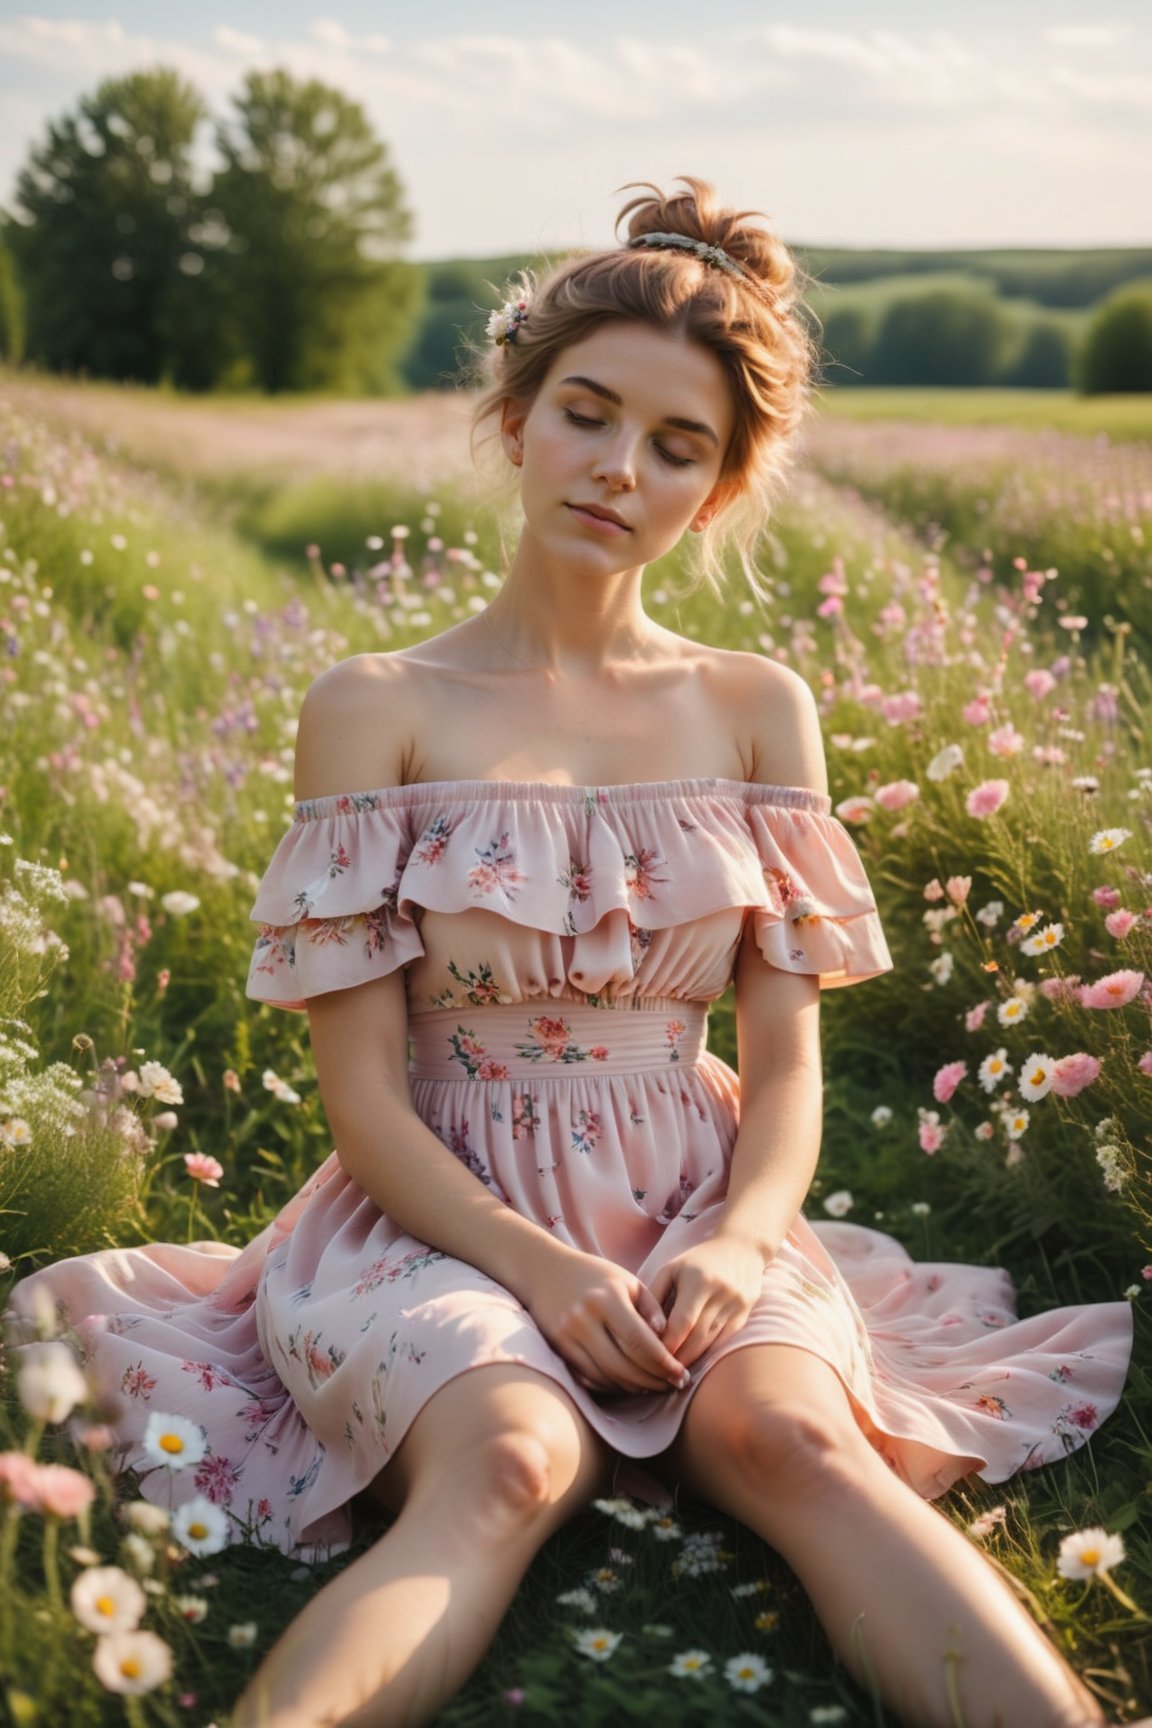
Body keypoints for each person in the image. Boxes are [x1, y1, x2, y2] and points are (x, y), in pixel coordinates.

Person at [7, 178, 1135, 1728]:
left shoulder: (756, 707)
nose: (620, 469)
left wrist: (737, 1244)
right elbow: (365, 1106)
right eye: (589, 414)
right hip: (434, 1211)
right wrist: (538, 1267)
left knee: (796, 1445)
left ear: (720, 488)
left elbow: (787, 1064)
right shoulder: (374, 703)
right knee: (508, 1468)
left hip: (690, 1190)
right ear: (516, 414)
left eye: (678, 447)